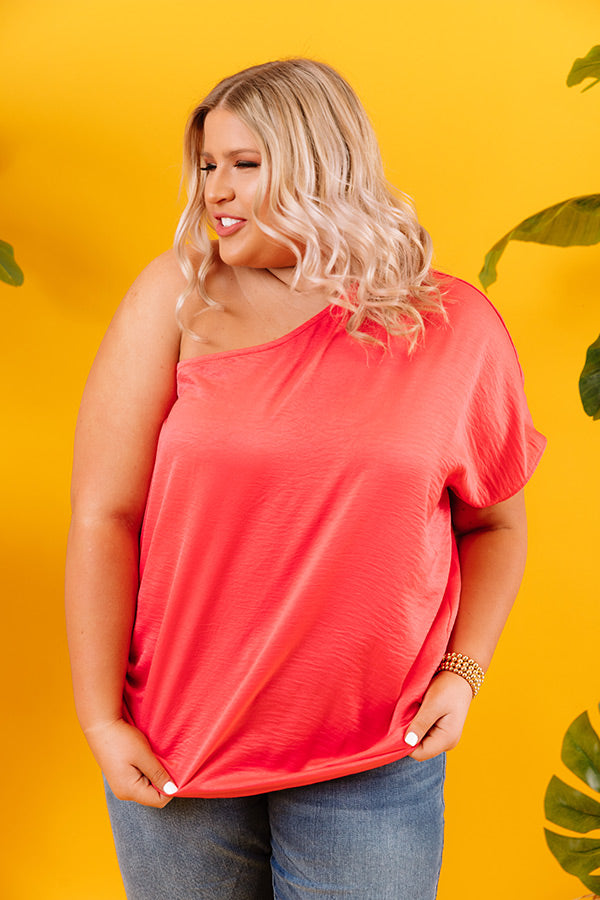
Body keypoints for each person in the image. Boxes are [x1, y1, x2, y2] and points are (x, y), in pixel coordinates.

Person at [65, 58, 546, 900]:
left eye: (245, 164)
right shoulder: (177, 297)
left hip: (374, 758)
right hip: (178, 753)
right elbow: (105, 516)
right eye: (208, 165)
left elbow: (495, 524)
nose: (215, 190)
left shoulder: (453, 325)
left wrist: (463, 673)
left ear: (323, 164)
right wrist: (102, 719)